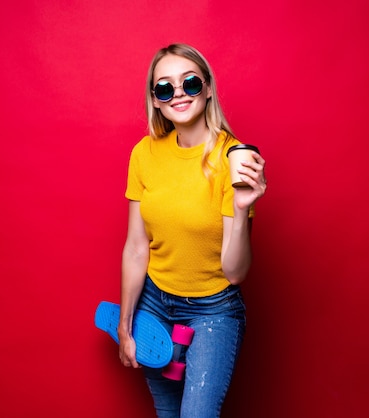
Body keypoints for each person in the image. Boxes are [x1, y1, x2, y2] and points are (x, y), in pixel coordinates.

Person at [118, 43, 267, 417]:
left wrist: (241, 206)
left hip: (212, 310)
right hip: (154, 303)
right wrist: (124, 325)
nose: (178, 93)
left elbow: (235, 272)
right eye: (164, 88)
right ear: (155, 100)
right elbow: (137, 247)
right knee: (167, 412)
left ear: (208, 87)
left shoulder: (232, 159)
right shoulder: (144, 154)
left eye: (189, 82)